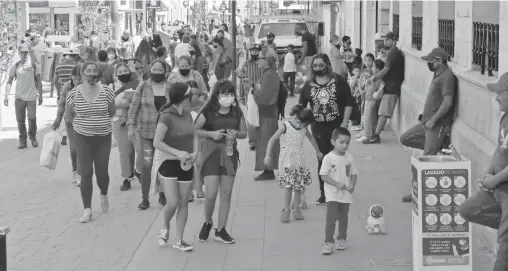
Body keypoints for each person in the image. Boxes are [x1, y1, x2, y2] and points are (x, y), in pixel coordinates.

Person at [458, 72, 508, 271]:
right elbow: (499, 147)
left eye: (500, 93)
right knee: (468, 209)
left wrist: (494, 180)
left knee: (504, 246)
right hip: (497, 188)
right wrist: (488, 174)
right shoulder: (505, 117)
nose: (496, 98)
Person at [400, 48, 457, 202]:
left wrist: (434, 120)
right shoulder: (437, 74)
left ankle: (419, 195)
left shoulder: (447, 77)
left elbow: (447, 102)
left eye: (431, 60)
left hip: (436, 125)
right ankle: (437, 146)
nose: (428, 63)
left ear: (439, 60)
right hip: (426, 122)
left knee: (426, 162)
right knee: (406, 138)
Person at [195, 79, 247, 244]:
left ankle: (221, 229)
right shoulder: (208, 111)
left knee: (227, 192)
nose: (228, 97)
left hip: (230, 156)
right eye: (225, 94)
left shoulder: (237, 112)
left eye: (231, 94)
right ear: (217, 95)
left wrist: (235, 134)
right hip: (211, 155)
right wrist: (211, 134)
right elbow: (195, 129)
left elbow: (245, 132)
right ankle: (208, 221)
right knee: (210, 194)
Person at [299, 53, 354, 205]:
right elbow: (302, 107)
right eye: (315, 66)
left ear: (327, 65)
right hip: (318, 130)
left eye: (321, 65)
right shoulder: (308, 85)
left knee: (338, 160)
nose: (318, 68)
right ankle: (324, 194)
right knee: (323, 161)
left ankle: (340, 190)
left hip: (336, 128)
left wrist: (345, 122)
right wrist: (300, 123)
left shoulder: (338, 81)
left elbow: (349, 102)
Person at [66, 61, 116, 223]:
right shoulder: (73, 93)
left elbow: (112, 111)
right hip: (82, 137)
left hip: (103, 137)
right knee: (85, 172)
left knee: (102, 172)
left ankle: (104, 193)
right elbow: (69, 116)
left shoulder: (107, 91)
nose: (92, 73)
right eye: (88, 71)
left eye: (95, 70)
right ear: (82, 73)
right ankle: (87, 209)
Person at [151, 82, 197, 251]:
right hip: (168, 161)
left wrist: (194, 154)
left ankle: (179, 240)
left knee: (184, 201)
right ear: (184, 97)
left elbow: (193, 136)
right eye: (190, 95)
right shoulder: (166, 116)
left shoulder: (187, 114)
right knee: (173, 201)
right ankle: (165, 225)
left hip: (186, 162)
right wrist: (177, 153)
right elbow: (157, 142)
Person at [265, 104, 322, 223]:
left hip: (299, 161)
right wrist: (267, 155)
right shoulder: (285, 126)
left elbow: (311, 139)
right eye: (305, 124)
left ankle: (296, 209)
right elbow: (272, 140)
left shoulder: (304, 128)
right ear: (298, 119)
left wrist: (317, 151)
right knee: (288, 187)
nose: (305, 127)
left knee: (298, 187)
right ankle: (286, 210)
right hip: (287, 161)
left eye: (306, 126)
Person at [127, 60, 170, 210]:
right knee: (146, 165)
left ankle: (163, 194)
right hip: (146, 132)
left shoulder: (170, 87)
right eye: (154, 69)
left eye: (160, 70)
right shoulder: (143, 85)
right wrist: (131, 125)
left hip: (165, 134)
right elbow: (134, 106)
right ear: (150, 69)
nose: (157, 72)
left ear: (165, 71)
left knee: (164, 165)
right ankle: (145, 198)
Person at [320, 127, 357, 254]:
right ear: (333, 142)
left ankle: (341, 239)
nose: (344, 145)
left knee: (343, 217)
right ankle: (328, 241)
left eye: (347, 142)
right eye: (341, 142)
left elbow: (354, 174)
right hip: (332, 194)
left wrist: (352, 185)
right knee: (331, 218)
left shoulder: (350, 158)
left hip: (345, 194)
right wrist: (336, 184)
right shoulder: (328, 158)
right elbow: (323, 176)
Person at [363, 31, 405, 144]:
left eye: (388, 39)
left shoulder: (393, 53)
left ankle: (376, 136)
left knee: (383, 112)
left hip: (392, 87)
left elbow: (386, 69)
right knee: (381, 111)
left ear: (393, 40)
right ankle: (374, 133)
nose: (385, 41)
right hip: (390, 85)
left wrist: (374, 77)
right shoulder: (394, 52)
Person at [3, 43, 43, 149]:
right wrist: (6, 95)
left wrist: (40, 95)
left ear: (28, 53)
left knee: (32, 118)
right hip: (19, 98)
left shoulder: (34, 65)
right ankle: (22, 140)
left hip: (31, 98)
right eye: (22, 53)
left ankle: (33, 137)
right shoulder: (15, 66)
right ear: (19, 53)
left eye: (26, 52)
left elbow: (39, 81)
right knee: (20, 121)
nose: (24, 55)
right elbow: (9, 81)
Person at [113, 64, 141, 191]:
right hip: (119, 122)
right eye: (120, 71)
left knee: (140, 149)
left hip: (136, 121)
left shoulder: (137, 84)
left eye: (125, 70)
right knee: (125, 152)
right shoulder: (111, 86)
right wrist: (119, 103)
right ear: (116, 74)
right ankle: (126, 177)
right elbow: (105, 105)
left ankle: (139, 171)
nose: (123, 73)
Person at [52, 65, 82, 186]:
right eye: (75, 79)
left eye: (80, 79)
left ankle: (80, 173)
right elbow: (61, 104)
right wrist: (58, 120)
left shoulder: (89, 87)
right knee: (73, 149)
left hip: (84, 122)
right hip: (70, 121)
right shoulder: (67, 87)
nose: (77, 82)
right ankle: (75, 171)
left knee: (81, 148)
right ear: (71, 78)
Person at [253, 53, 280, 181]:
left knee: (266, 141)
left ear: (267, 61)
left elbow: (263, 96)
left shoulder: (270, 75)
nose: (258, 61)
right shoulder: (268, 74)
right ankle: (267, 169)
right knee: (265, 141)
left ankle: (268, 170)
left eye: (260, 59)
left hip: (267, 114)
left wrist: (252, 92)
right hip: (265, 113)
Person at [235, 43, 263, 151]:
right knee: (251, 119)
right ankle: (252, 142)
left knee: (261, 118)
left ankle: (261, 139)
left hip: (261, 95)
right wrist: (241, 96)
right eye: (252, 51)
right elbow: (241, 80)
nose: (254, 53)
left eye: (256, 51)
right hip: (249, 96)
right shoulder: (246, 64)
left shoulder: (262, 64)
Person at [359, 59, 385, 143]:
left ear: (378, 69)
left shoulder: (377, 78)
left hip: (371, 100)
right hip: (369, 99)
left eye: (374, 66)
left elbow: (374, 89)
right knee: (370, 118)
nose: (372, 68)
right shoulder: (375, 77)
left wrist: (371, 82)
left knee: (367, 118)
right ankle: (368, 134)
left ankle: (366, 135)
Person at [355, 53, 375, 142]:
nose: (367, 62)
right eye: (366, 60)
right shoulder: (363, 70)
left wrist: (364, 91)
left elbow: (369, 84)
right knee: (363, 113)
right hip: (363, 95)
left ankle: (367, 133)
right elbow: (359, 81)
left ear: (373, 61)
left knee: (367, 115)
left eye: (369, 60)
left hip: (368, 95)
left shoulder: (372, 72)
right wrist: (360, 90)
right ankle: (364, 131)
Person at [348, 64, 363, 131]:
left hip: (359, 96)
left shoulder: (361, 79)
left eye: (359, 71)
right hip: (353, 97)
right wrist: (356, 78)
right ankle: (354, 125)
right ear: (353, 72)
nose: (357, 73)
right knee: (354, 111)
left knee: (359, 111)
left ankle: (358, 124)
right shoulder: (352, 78)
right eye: (356, 71)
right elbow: (352, 85)